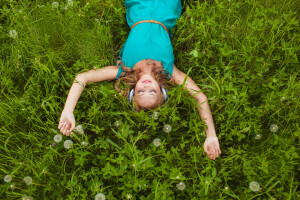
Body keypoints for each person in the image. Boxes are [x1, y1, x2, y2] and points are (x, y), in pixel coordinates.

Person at [58, 0, 221, 160]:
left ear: (133, 90)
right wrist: (211, 135)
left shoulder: (124, 70)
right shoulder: (169, 72)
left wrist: (68, 111)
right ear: (161, 89)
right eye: (153, 92)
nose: (146, 86)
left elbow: (83, 77)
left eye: (141, 92)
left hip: (139, 7)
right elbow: (200, 97)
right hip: (166, 9)